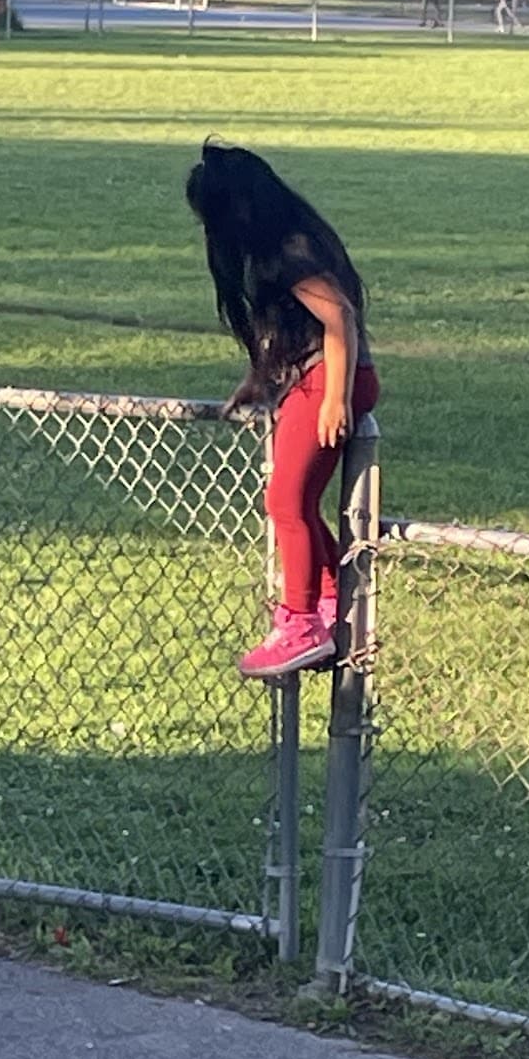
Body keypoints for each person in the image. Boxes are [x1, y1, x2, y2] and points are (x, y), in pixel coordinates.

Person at [186, 139, 379, 679]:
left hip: (328, 381)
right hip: (312, 378)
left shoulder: (287, 250)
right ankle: (329, 601)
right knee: (297, 503)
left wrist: (336, 397)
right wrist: (259, 377)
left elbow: (339, 316)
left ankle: (299, 622)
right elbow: (282, 326)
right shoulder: (281, 243)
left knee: (286, 503)